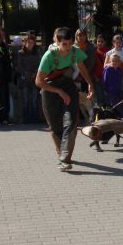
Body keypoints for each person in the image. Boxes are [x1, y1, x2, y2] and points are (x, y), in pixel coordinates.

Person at [35, 27, 94, 172]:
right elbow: (38, 81)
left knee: (71, 123)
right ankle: (62, 154)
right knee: (55, 126)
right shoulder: (49, 56)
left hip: (68, 86)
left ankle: (65, 159)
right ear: (57, 42)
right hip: (49, 89)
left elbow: (81, 66)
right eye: (64, 44)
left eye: (70, 43)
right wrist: (59, 91)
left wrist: (90, 84)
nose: (68, 48)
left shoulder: (75, 51)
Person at [16, 33, 41, 123]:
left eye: (32, 42)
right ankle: (25, 119)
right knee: (25, 100)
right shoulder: (20, 53)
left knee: (34, 100)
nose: (30, 44)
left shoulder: (37, 52)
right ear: (25, 42)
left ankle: (34, 118)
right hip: (25, 79)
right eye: (28, 42)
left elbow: (40, 64)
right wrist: (27, 74)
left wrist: (35, 73)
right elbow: (19, 66)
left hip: (35, 78)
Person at [74, 28, 96, 92]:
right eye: (79, 35)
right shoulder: (72, 47)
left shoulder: (91, 47)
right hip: (76, 77)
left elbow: (92, 63)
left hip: (89, 76)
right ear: (76, 36)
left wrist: (86, 75)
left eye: (83, 35)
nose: (81, 37)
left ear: (86, 36)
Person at [92, 34, 109, 106]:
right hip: (97, 78)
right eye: (98, 41)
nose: (100, 43)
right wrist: (94, 76)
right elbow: (91, 66)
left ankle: (108, 112)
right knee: (99, 96)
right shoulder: (93, 52)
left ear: (105, 42)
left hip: (107, 78)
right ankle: (100, 113)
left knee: (107, 96)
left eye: (102, 41)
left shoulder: (109, 52)